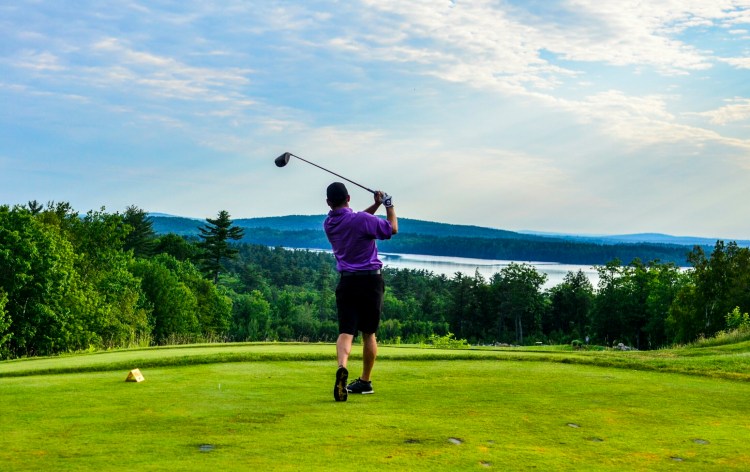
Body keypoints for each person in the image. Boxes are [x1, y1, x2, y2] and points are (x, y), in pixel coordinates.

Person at [324, 181, 398, 402]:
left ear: (328, 202)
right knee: (369, 333)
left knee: (346, 332)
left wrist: (373, 205)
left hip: (347, 283)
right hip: (371, 283)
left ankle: (342, 367)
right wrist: (388, 204)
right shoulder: (361, 220)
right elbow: (392, 228)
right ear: (348, 198)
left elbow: (356, 221)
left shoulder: (329, 224)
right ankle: (365, 381)